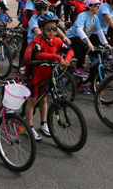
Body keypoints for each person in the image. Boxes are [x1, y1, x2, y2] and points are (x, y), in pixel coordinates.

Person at [24, 12, 74, 140]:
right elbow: (39, 55)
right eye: (48, 29)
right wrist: (57, 57)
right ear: (41, 29)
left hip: (48, 74)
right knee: (32, 101)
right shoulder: (37, 41)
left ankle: (43, 123)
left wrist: (67, 59)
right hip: (35, 74)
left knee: (44, 100)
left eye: (54, 28)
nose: (52, 31)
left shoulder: (57, 40)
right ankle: (29, 127)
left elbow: (69, 50)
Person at [67, 0, 111, 94]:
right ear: (90, 6)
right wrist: (88, 42)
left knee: (96, 53)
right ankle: (78, 70)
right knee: (83, 47)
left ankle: (90, 81)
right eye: (97, 6)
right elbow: (79, 29)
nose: (99, 8)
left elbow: (99, 31)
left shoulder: (95, 18)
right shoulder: (83, 15)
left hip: (83, 39)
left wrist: (106, 43)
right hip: (73, 37)